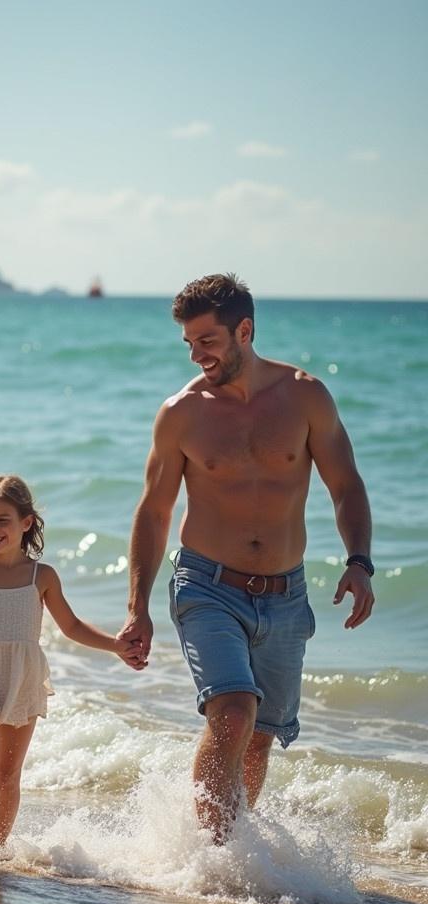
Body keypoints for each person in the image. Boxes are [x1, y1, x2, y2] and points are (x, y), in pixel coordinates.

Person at [120, 274, 374, 842]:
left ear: (245, 330)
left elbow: (346, 486)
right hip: (206, 584)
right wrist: (138, 605)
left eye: (207, 340)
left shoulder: (305, 396)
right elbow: (154, 511)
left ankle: (235, 848)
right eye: (188, 343)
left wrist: (360, 561)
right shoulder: (181, 413)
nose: (197, 354)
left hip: (285, 595)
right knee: (233, 712)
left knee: (259, 735)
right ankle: (214, 864)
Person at [0, 474, 136, 853]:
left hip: (22, 676)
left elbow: (71, 625)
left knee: (6, 774)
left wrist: (115, 645)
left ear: (26, 523)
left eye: (3, 520)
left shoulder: (41, 576)